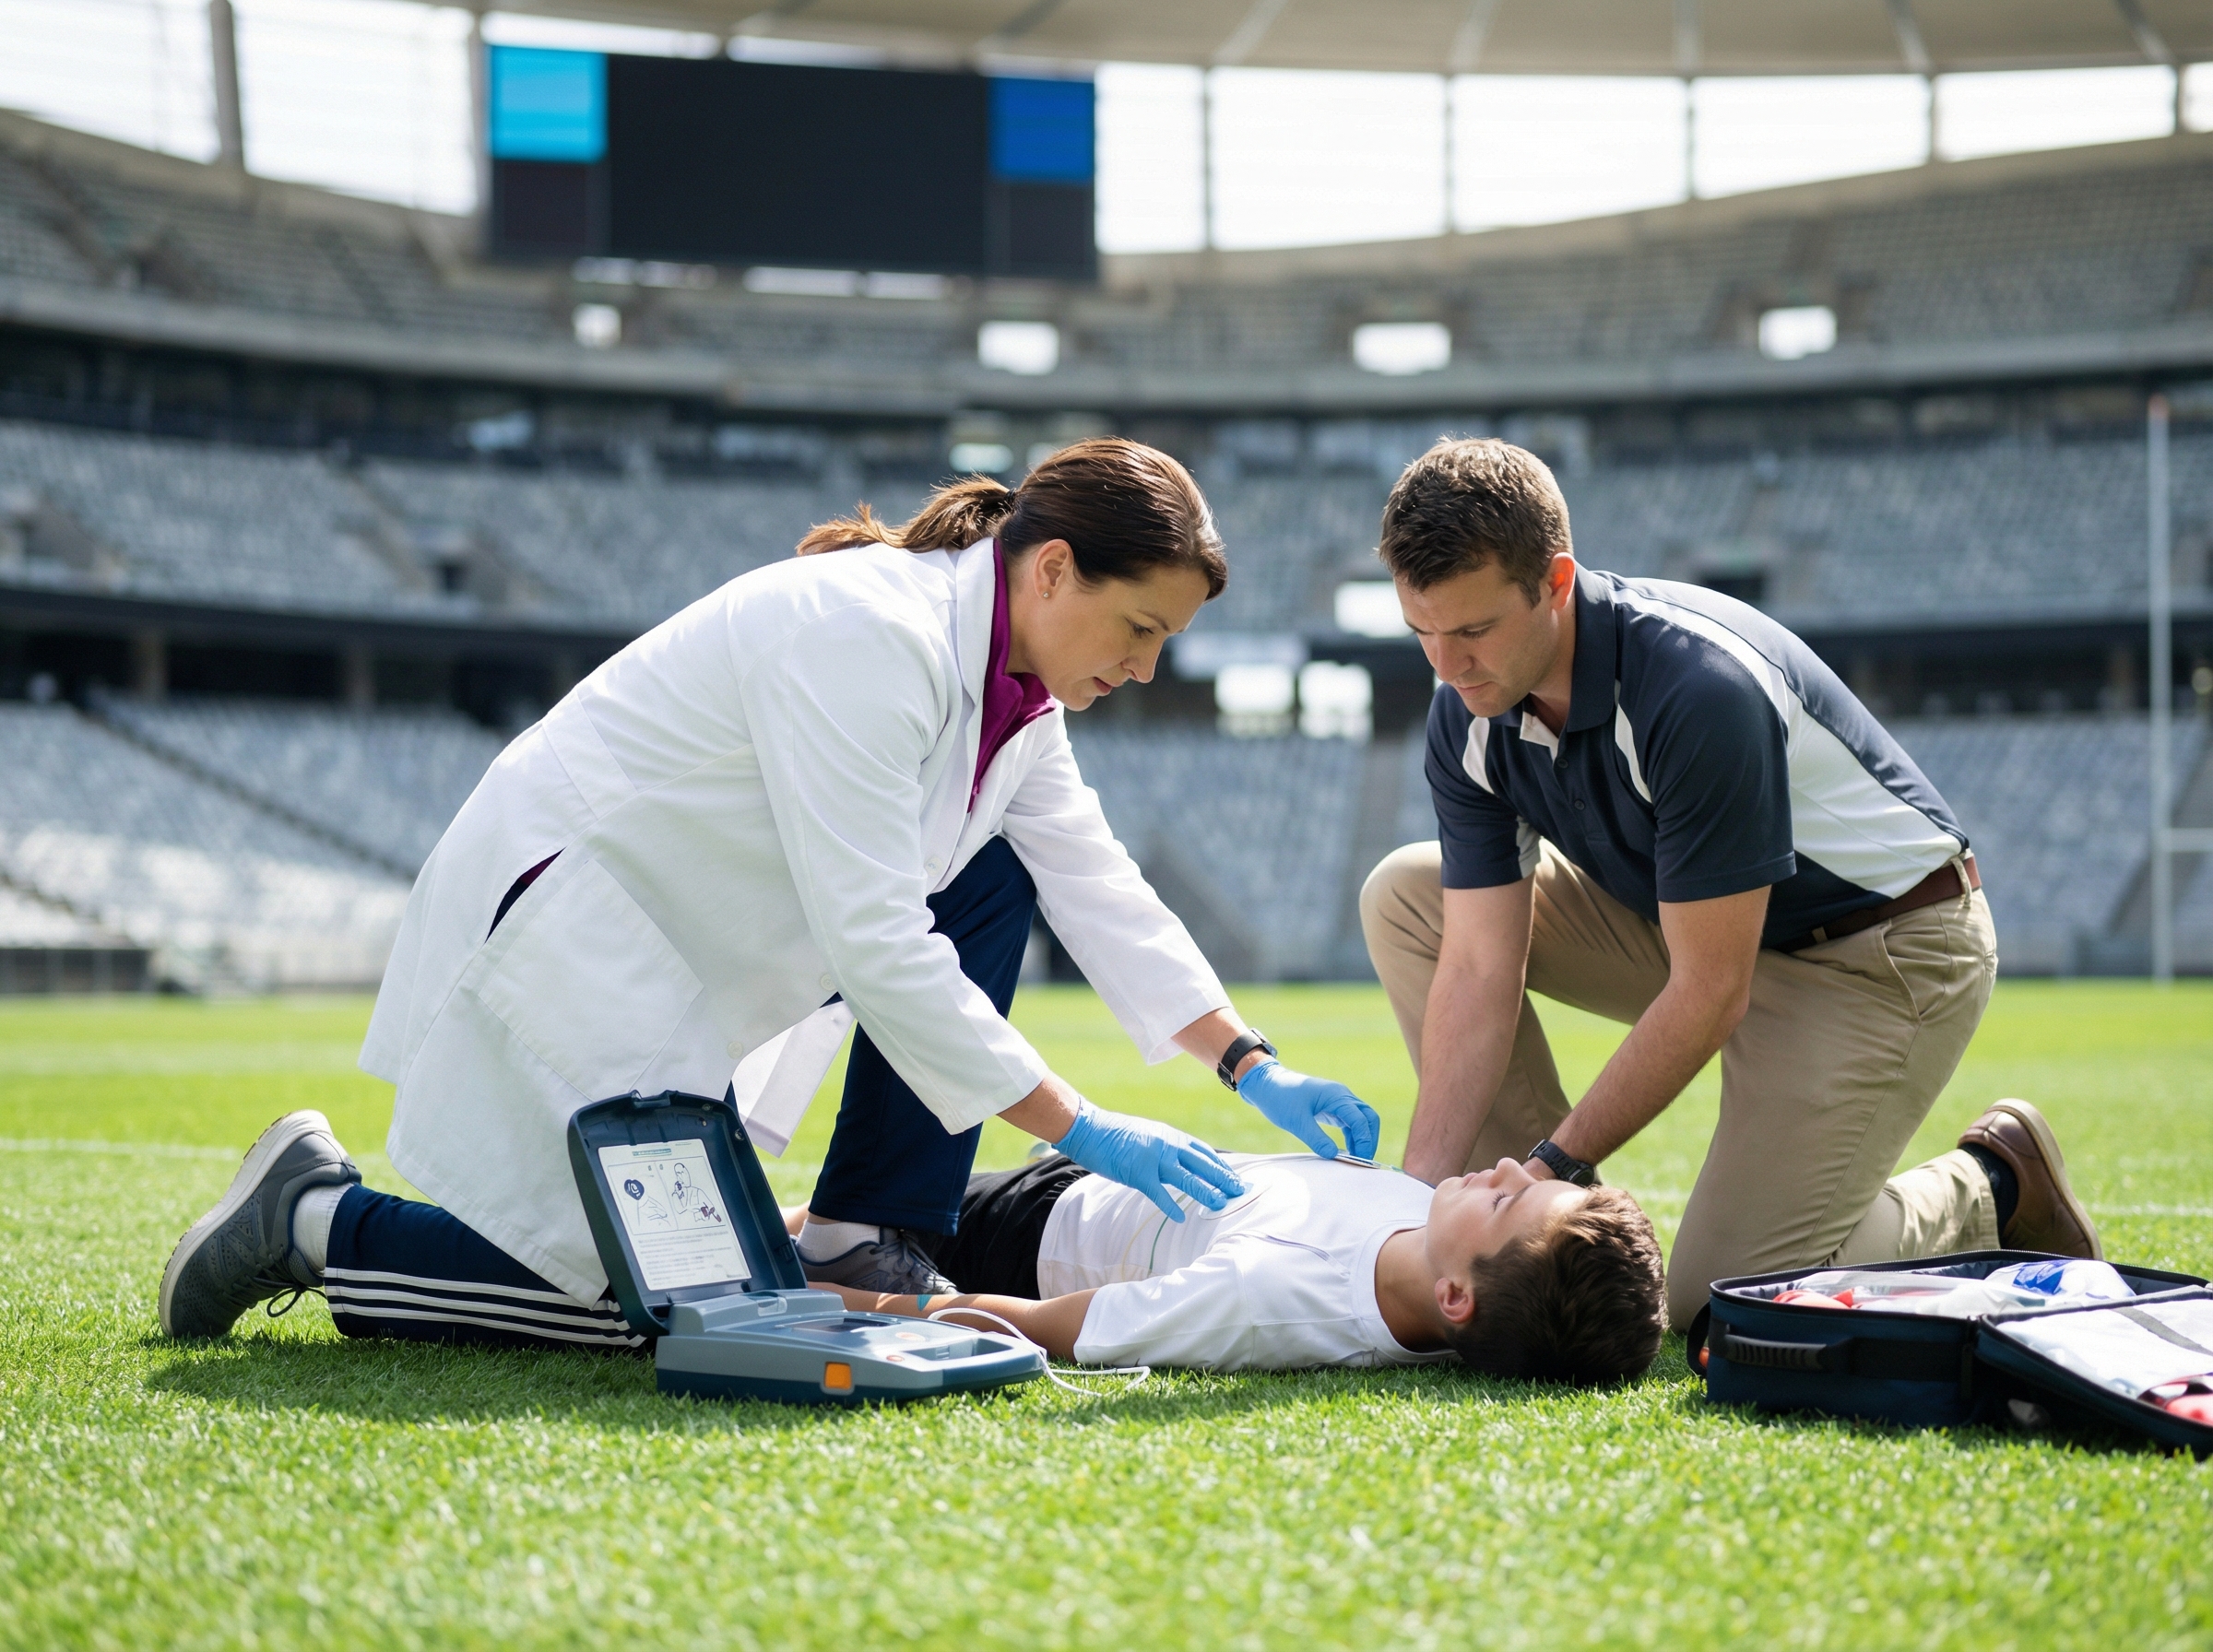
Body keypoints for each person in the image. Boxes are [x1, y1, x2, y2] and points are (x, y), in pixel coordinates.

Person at [160, 439, 1379, 1345]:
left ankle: (868, 1236)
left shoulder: (1017, 700)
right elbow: (879, 940)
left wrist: (1250, 1064)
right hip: (567, 929)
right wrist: (1081, 1125)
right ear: (1054, 570)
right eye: (1141, 626)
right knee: (691, 1318)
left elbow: (1098, 886)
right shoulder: (872, 638)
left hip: (685, 952)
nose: (1147, 667)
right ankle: (312, 1219)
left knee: (997, 867)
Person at [1358, 438, 2101, 1333]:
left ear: (1554, 584)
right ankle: (1530, 1250)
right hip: (1695, 927)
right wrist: (1403, 1207)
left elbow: (1712, 989)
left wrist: (1554, 1166)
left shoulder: (1694, 687)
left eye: (1472, 630)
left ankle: (1993, 1184)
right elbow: (1480, 966)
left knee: (1717, 1296)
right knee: (1407, 895)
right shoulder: (1467, 709)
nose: (1446, 665)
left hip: (1878, 954)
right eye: (1422, 632)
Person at [802, 1150, 1666, 1383]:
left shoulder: (1279, 1295)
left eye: (1511, 1202)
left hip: (1026, 1228)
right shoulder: (1439, 1245)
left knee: (791, 1232)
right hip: (1092, 1177)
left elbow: (1049, 1329)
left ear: (1454, 1295)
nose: (1517, 1170)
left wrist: (848, 1299)